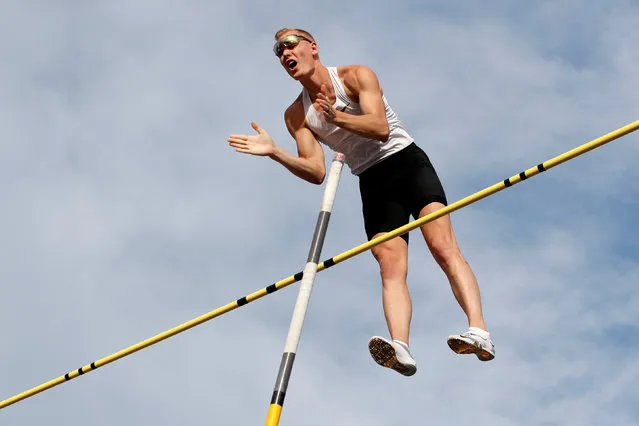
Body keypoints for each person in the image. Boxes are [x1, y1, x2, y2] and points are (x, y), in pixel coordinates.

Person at [227, 28, 495, 376]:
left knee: (442, 246)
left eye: (290, 44)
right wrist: (276, 152)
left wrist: (336, 117)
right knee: (390, 267)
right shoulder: (296, 115)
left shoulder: (354, 76)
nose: (284, 54)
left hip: (406, 162)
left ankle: (479, 332)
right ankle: (401, 348)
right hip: (372, 179)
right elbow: (315, 171)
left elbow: (380, 127)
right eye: (278, 51)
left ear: (313, 47)